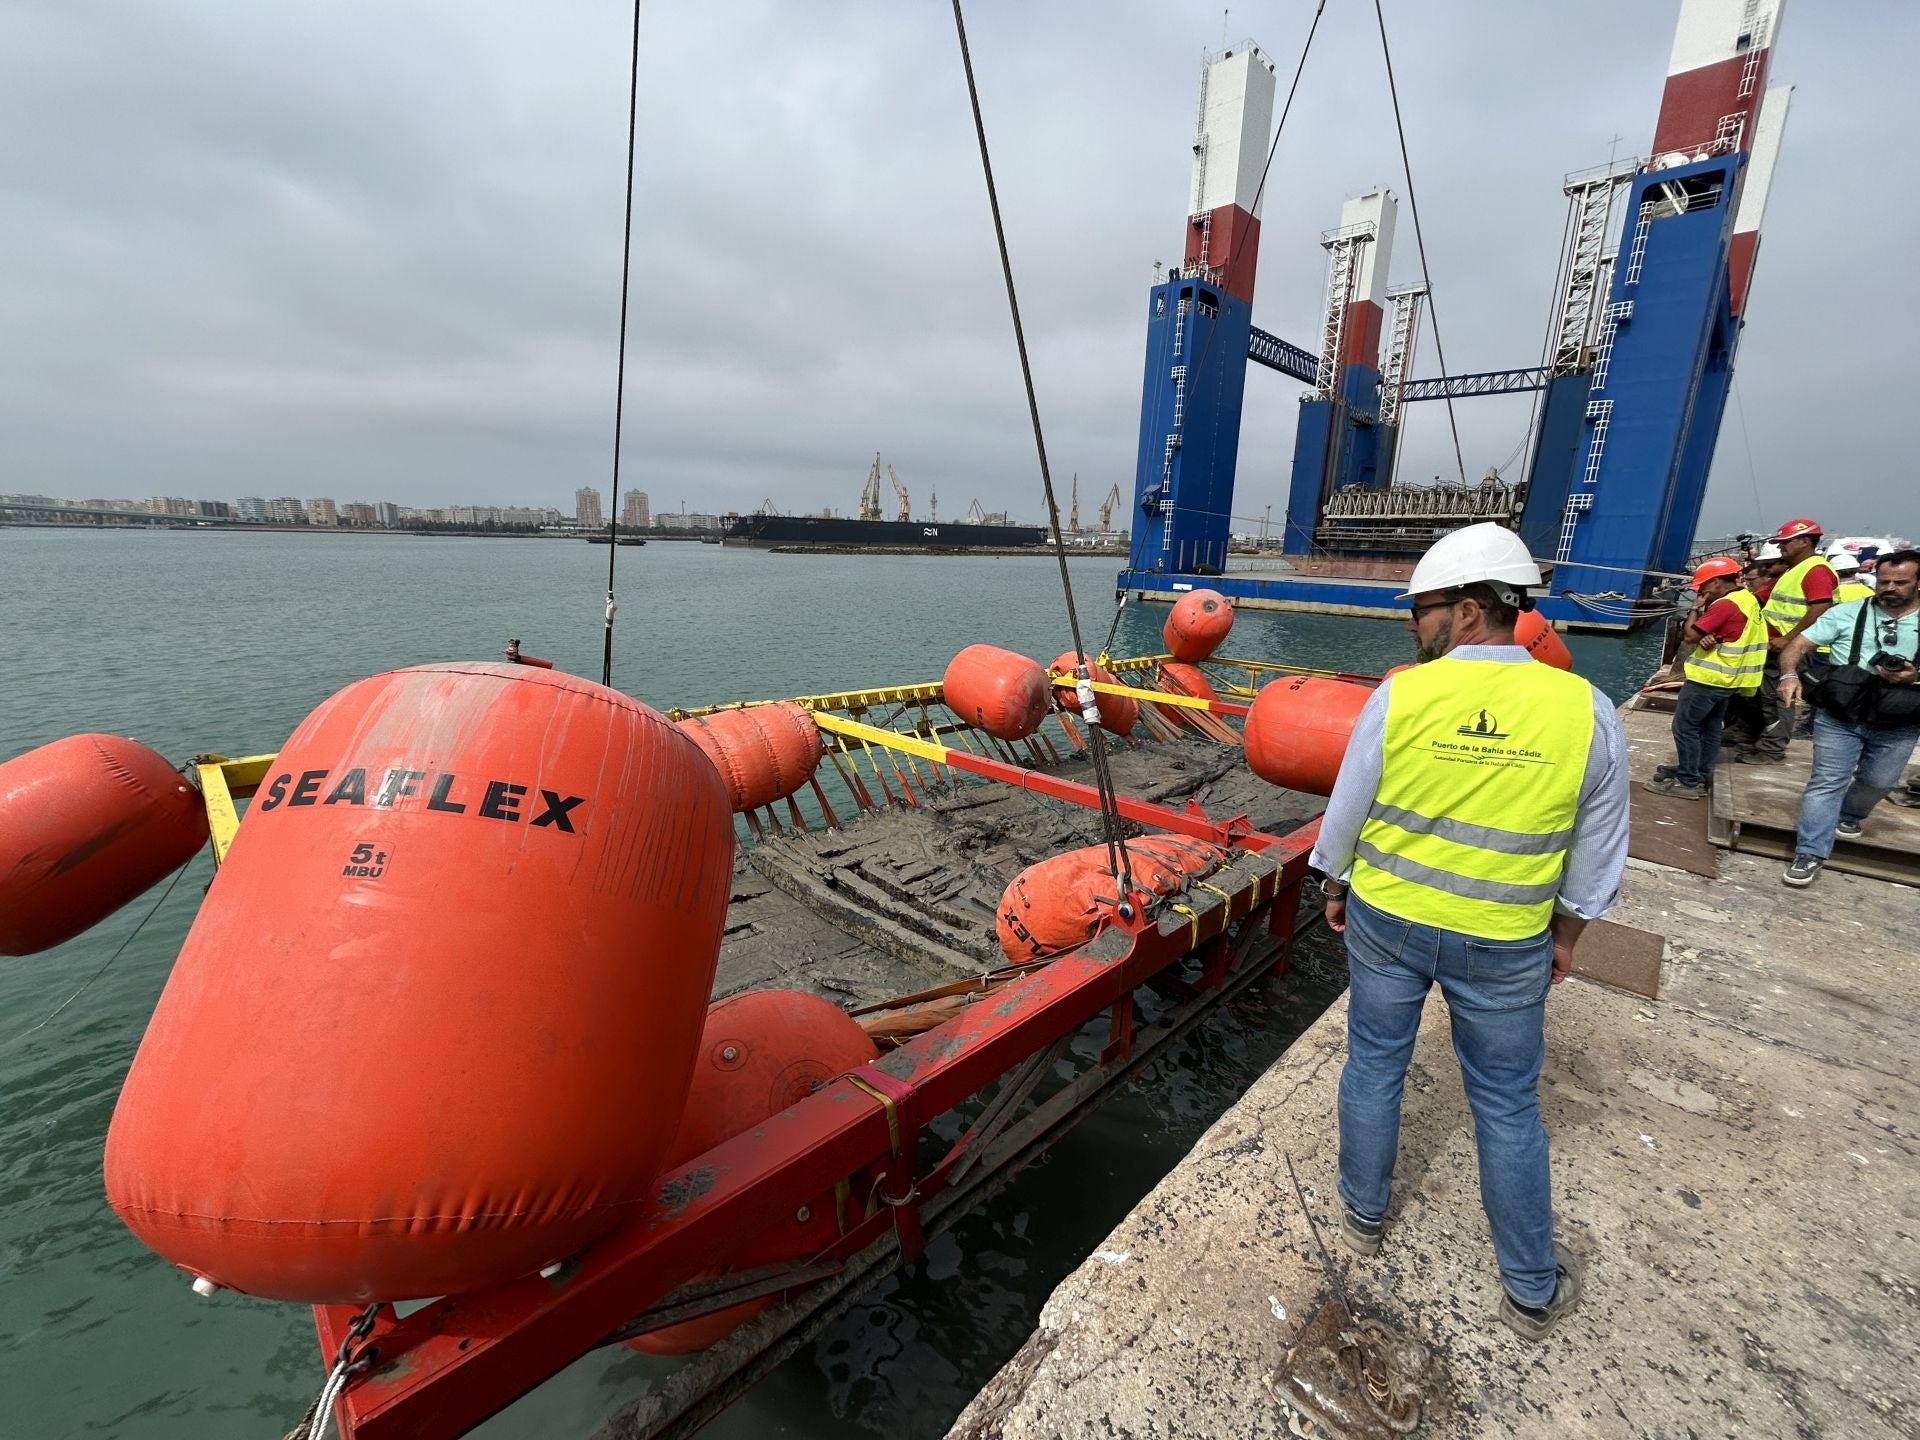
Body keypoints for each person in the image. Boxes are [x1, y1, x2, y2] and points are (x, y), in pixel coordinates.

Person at [1308, 521, 1629, 1342]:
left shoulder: (1402, 696)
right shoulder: (1586, 710)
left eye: (1420, 609)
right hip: (1505, 938)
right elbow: (1599, 854)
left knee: (1373, 1066)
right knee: (1507, 1105)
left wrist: (1334, 884)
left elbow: (1346, 811)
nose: (1413, 625)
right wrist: (1568, 934)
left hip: (1388, 922)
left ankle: (1362, 1215)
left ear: (1470, 609)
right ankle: (1529, 1287)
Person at [1776, 548, 1920, 886]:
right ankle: (1810, 852)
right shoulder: (1847, 613)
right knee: (1827, 781)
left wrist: (1914, 676)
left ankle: (1851, 812)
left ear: (1918, 583)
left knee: (1880, 781)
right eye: (1884, 581)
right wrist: (1789, 675)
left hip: (1900, 719)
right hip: (1841, 714)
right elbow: (1798, 646)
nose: (1890, 588)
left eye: (1900, 582)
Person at [1646, 557, 1766, 798]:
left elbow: (1690, 636)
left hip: (1708, 679)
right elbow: (1733, 632)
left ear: (1717, 582)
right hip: (1727, 678)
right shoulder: (1747, 600)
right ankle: (1699, 772)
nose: (1701, 591)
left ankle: (1688, 781)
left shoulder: (1725, 605)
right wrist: (1715, 635)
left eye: (1703, 586)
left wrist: (1694, 609)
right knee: (1710, 728)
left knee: (1685, 728)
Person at [1742, 519, 1836, 765]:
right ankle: (1762, 742)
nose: (1781, 547)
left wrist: (1789, 638)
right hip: (1774, 645)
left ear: (1805, 541)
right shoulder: (1795, 570)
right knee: (1764, 697)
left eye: (1786, 542)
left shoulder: (1816, 570)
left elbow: (1821, 607)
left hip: (1788, 648)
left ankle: (1772, 749)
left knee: (1778, 698)